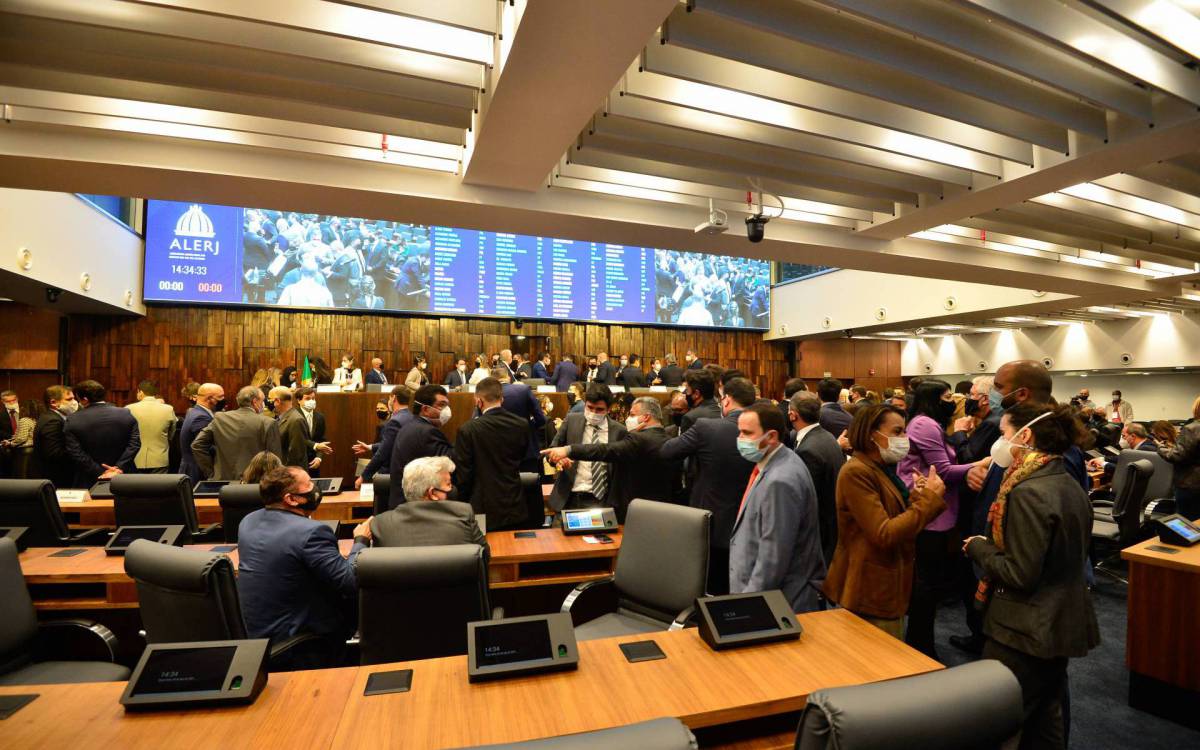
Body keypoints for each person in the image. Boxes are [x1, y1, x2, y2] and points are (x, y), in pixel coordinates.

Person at [964, 404, 1100, 748]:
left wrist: (979, 547)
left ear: (1025, 436)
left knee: (1000, 721)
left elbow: (1019, 573)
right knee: (1045, 718)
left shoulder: (1027, 492)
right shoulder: (1066, 481)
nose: (1001, 441)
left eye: (1005, 433)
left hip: (1024, 629)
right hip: (1060, 620)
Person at [823, 404, 947, 639]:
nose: (904, 439)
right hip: (870, 588)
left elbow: (895, 515)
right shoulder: (856, 472)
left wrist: (918, 497)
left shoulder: (882, 468)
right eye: (897, 432)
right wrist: (928, 501)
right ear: (872, 434)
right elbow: (884, 532)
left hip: (887, 581)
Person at [236, 466, 370, 668]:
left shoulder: (248, 521)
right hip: (299, 644)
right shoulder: (312, 533)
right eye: (309, 485)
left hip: (256, 635)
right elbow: (350, 581)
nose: (315, 489)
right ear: (291, 499)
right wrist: (360, 541)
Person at [897, 379, 974, 659]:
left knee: (930, 585)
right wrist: (983, 465)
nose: (952, 400)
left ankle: (921, 643)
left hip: (937, 513)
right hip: (929, 515)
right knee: (925, 586)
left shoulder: (931, 423)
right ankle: (920, 647)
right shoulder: (924, 424)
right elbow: (942, 469)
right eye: (946, 396)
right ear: (932, 398)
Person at [660, 377, 757, 595]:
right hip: (751, 520)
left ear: (727, 400)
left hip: (711, 520)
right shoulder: (767, 428)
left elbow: (668, 451)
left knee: (708, 585)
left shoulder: (706, 428)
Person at [729, 402, 826, 612]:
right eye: (739, 432)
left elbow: (772, 558)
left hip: (780, 603)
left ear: (771, 436)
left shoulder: (780, 480)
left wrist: (746, 606)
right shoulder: (778, 461)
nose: (740, 439)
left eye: (747, 433)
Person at [542, 396, 682, 517]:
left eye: (632, 415)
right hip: (663, 509)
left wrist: (569, 449)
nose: (628, 419)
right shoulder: (671, 439)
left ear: (645, 417)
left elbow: (604, 450)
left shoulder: (637, 439)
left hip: (634, 510)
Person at [368, 455, 488, 555]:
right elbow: (484, 556)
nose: (452, 489)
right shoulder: (463, 515)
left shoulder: (380, 525)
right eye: (448, 484)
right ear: (432, 493)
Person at [453, 378, 529, 530]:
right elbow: (522, 459)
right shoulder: (522, 424)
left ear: (478, 401)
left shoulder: (468, 430)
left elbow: (464, 475)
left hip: (482, 507)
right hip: (514, 504)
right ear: (502, 399)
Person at [546, 384, 628, 513]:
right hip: (569, 498)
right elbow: (551, 451)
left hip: (603, 500)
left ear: (608, 409)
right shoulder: (572, 420)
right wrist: (557, 459)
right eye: (590, 407)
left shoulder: (620, 431)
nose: (593, 413)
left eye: (599, 409)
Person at [788, 391, 845, 565]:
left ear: (792, 415)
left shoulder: (809, 450)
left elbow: (806, 497)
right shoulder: (827, 437)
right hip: (831, 525)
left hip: (820, 532)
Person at [191, 386, 282, 480]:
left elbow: (197, 445)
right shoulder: (268, 423)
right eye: (262, 400)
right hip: (254, 482)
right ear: (255, 402)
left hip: (222, 481)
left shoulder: (220, 418)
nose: (264, 404)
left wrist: (211, 472)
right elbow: (275, 459)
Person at [63, 380, 141, 488]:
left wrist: (101, 471)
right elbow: (135, 444)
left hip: (89, 477)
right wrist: (119, 467)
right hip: (125, 474)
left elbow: (76, 452)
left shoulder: (73, 419)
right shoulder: (125, 413)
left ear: (84, 399)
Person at [387, 384, 452, 510]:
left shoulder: (412, 426)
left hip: (403, 505)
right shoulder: (427, 432)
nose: (446, 410)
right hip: (414, 509)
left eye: (447, 405)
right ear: (425, 409)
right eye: (441, 405)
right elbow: (449, 466)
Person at [356, 385, 414, 486]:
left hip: (393, 475)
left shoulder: (394, 421)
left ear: (394, 398)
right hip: (409, 473)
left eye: (390, 398)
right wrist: (370, 447)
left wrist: (363, 476)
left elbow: (383, 453)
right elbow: (395, 443)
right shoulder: (412, 418)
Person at [1159, 395, 1200, 519]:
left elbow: (1177, 456)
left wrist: (1161, 449)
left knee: (1187, 523)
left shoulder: (1193, 429)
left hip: (1191, 484)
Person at [125, 380, 177, 474]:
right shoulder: (168, 409)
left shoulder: (128, 409)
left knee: (136, 488)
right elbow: (171, 434)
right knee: (159, 488)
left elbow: (124, 433)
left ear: (140, 392)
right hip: (159, 458)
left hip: (134, 458)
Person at [31, 385, 77, 489]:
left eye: (74, 398)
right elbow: (54, 453)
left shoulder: (53, 417)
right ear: (53, 403)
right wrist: (78, 453)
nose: (74, 402)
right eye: (69, 399)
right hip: (55, 478)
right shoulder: (53, 421)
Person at [179, 383, 223, 486]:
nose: (223, 399)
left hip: (192, 467)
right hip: (197, 470)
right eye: (220, 397)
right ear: (209, 398)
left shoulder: (195, 412)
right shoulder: (201, 417)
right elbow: (205, 447)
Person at [294, 387, 332, 475]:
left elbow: (321, 440)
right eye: (307, 398)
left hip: (313, 462)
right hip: (297, 462)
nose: (311, 401)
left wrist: (319, 458)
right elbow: (298, 439)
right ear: (299, 401)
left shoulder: (319, 417)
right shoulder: (294, 416)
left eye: (313, 398)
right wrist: (315, 446)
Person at [679, 369, 721, 434]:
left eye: (687, 390)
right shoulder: (723, 412)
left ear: (696, 394)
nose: (684, 393)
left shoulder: (690, 418)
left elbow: (684, 444)